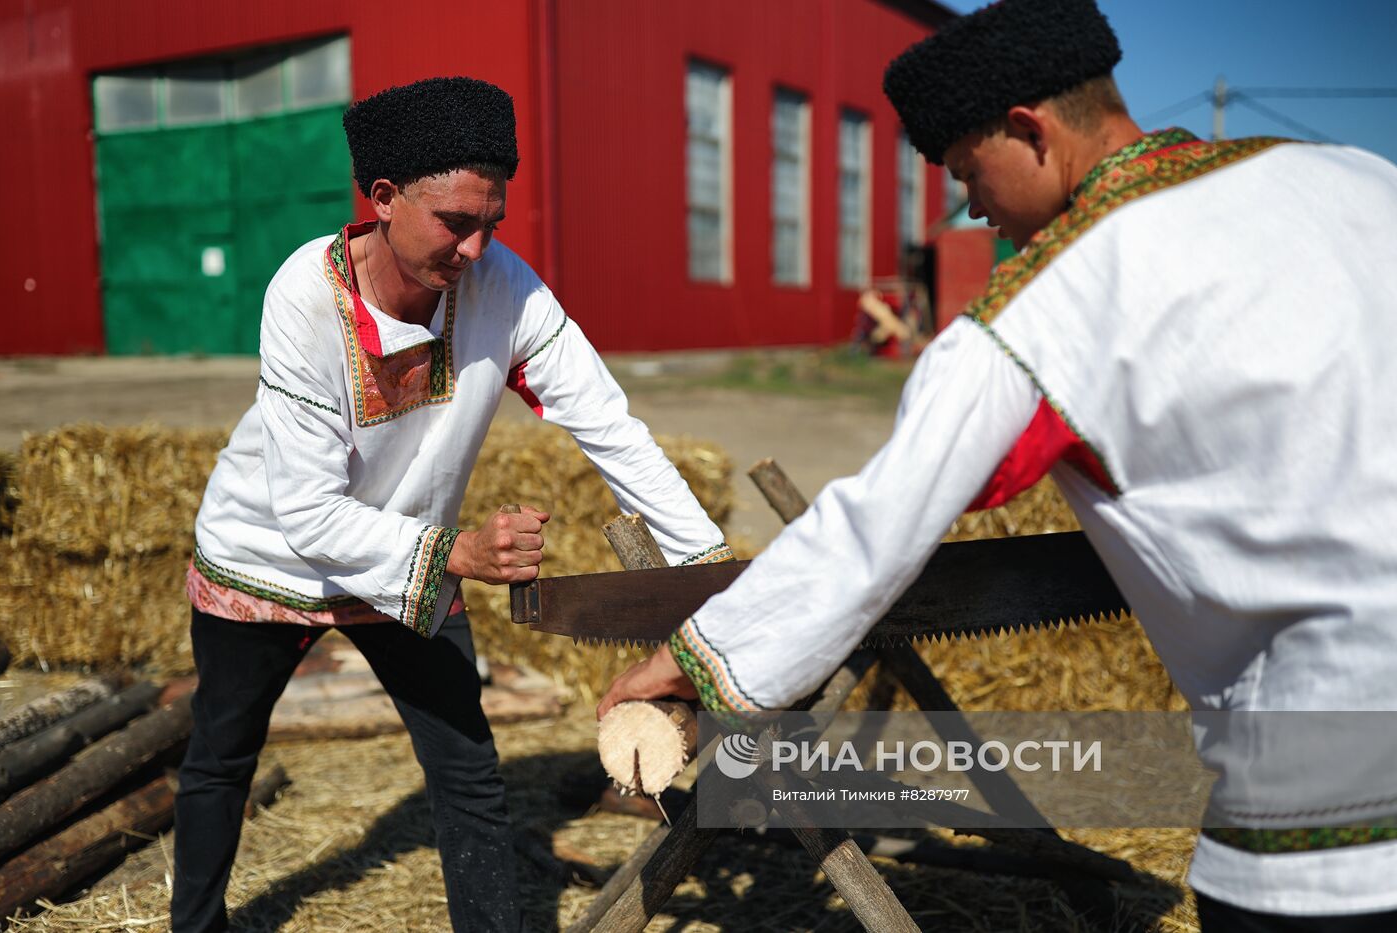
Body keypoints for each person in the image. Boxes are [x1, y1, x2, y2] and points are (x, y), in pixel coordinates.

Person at [598, 0, 1397, 928]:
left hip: (1337, 789)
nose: (971, 207)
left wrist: (697, 663)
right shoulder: (1352, 177)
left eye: (968, 173)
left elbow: (879, 527)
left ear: (1031, 131)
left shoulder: (1049, 308)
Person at [175, 76, 731, 933]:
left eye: (492, 222)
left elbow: (608, 424)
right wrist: (459, 554)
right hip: (269, 553)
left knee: (468, 766)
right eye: (455, 223)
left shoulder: (504, 287)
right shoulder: (303, 296)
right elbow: (309, 514)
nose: (476, 249)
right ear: (384, 197)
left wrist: (706, 570)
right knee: (221, 757)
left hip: (405, 562)